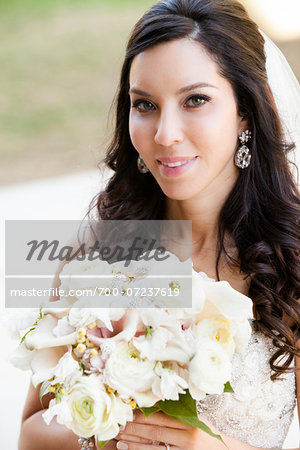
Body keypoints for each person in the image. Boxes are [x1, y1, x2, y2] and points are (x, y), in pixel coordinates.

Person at [19, 0, 300, 449]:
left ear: (245, 110)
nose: (165, 133)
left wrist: (205, 445)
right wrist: (108, 428)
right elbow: (30, 434)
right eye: (145, 104)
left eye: (196, 100)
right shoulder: (95, 255)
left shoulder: (292, 257)